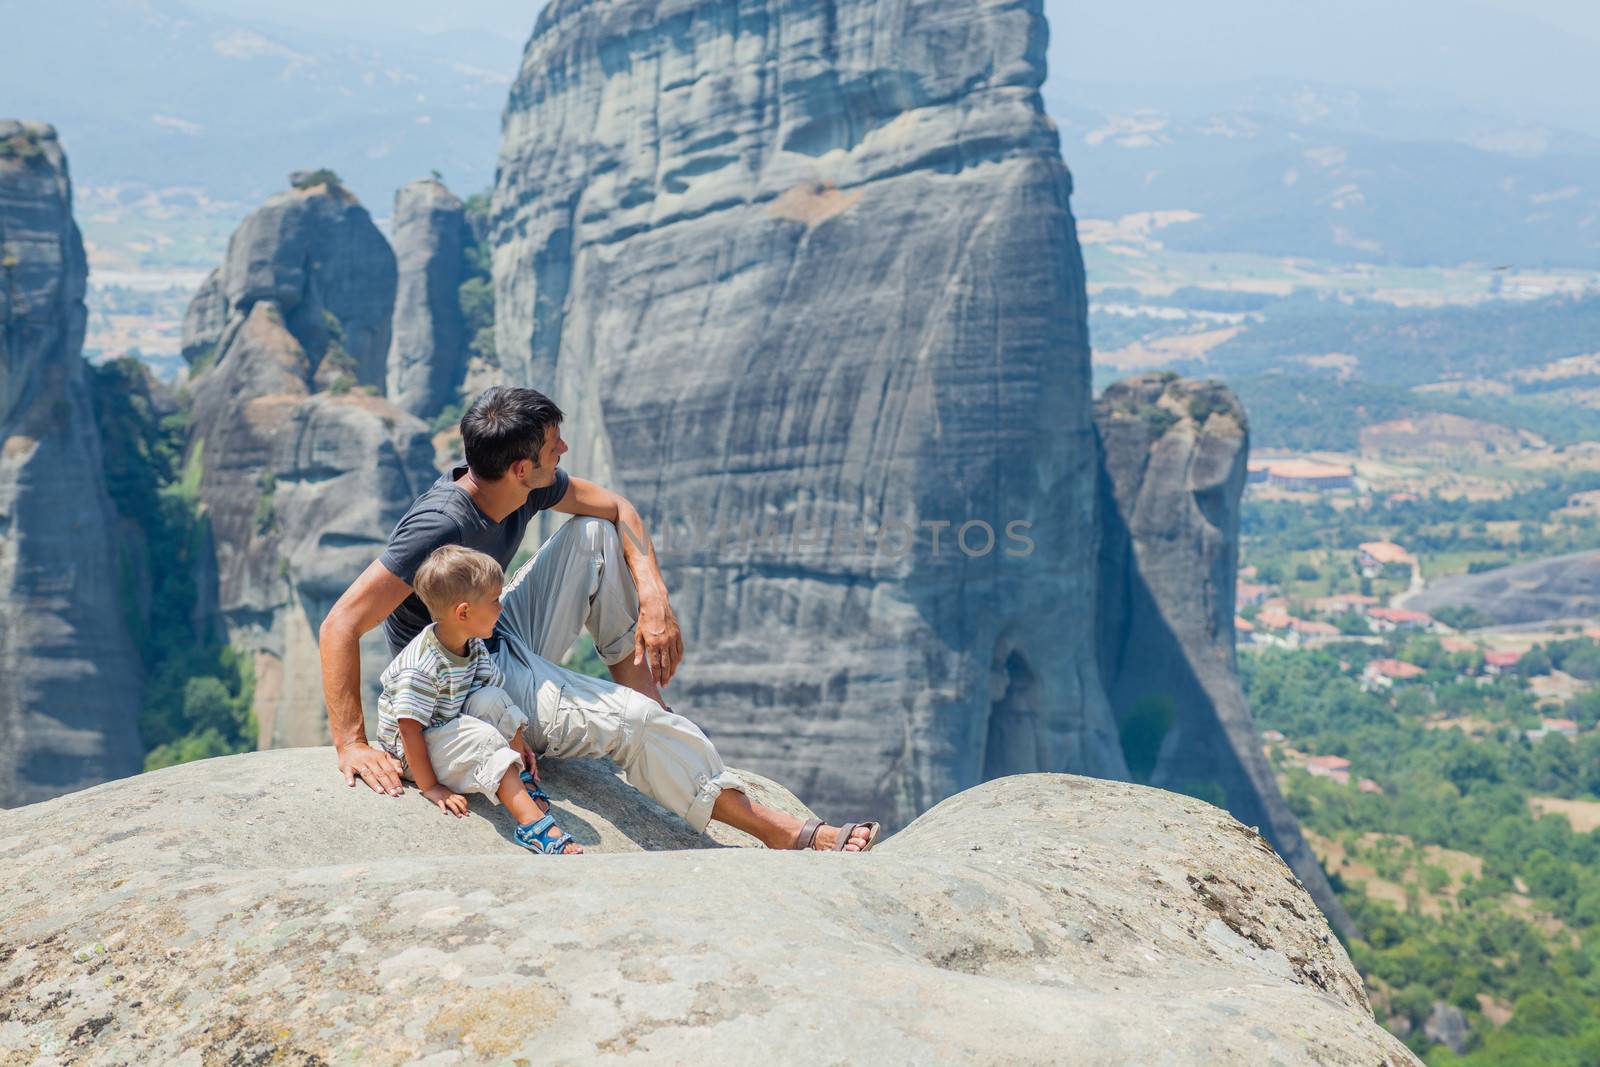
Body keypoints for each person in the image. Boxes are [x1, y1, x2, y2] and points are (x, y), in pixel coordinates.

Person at [320, 385, 880, 852]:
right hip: (461, 681)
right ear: (521, 467)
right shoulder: (440, 525)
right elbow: (341, 623)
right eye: (553, 445)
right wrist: (352, 743)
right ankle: (782, 832)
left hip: (492, 630)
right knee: (635, 724)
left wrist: (654, 596)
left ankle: (646, 704)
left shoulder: (516, 489)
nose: (563, 448)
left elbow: (616, 508)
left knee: (592, 534)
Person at [377, 544, 581, 855]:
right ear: (464, 612)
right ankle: (531, 826)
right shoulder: (421, 666)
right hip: (411, 750)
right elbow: (408, 730)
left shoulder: (470, 644)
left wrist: (516, 741)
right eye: (495, 601)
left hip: (445, 723)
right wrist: (430, 786)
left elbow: (491, 694)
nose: (501, 608)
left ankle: (519, 777)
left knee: (494, 697)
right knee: (483, 738)